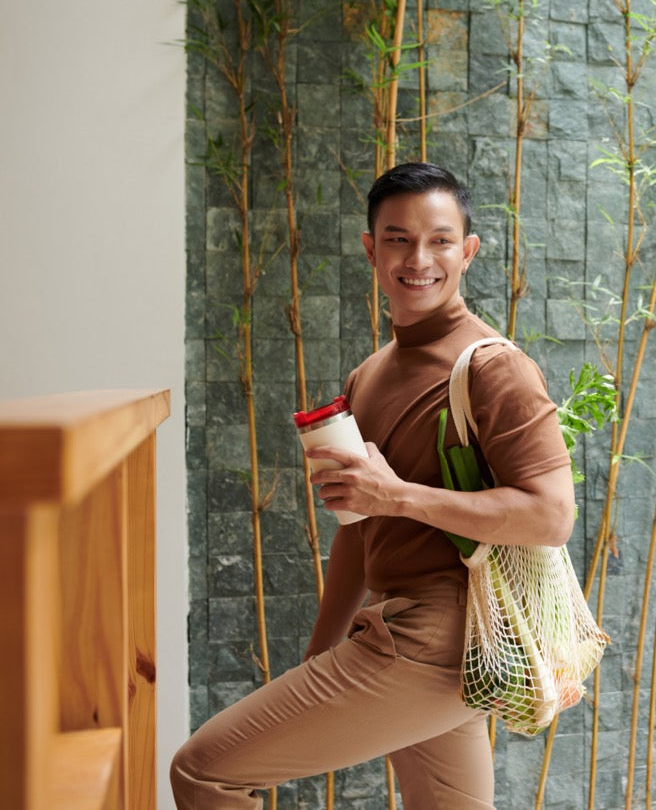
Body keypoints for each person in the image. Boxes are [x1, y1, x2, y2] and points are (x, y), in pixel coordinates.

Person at [171, 162, 576, 809]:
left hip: (437, 640)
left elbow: (551, 514)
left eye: (440, 240)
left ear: (467, 251)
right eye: (397, 239)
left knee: (203, 772)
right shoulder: (368, 376)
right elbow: (359, 539)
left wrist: (398, 495)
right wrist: (319, 654)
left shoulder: (496, 369)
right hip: (432, 645)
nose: (419, 259)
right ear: (371, 248)